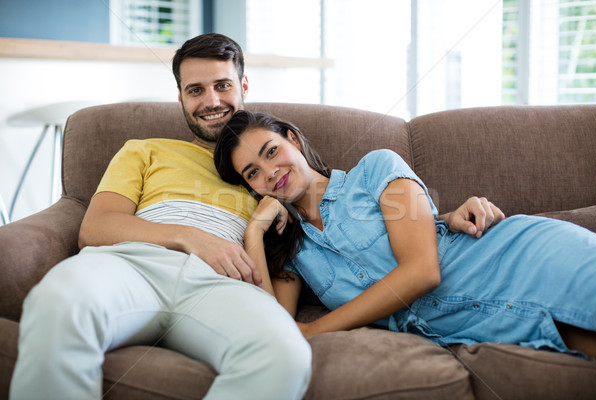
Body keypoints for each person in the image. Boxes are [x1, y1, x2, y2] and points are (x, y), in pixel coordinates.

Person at [9, 32, 507, 400]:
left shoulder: (275, 173)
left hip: (225, 289)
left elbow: (357, 220)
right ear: (180, 98)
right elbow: (95, 228)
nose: (211, 102)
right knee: (61, 300)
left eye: (222, 85)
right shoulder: (144, 149)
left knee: (284, 354)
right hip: (132, 265)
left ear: (243, 84)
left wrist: (441, 217)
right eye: (195, 91)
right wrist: (190, 238)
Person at [213, 110, 596, 361]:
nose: (269, 172)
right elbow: (276, 326)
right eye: (252, 173)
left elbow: (422, 271)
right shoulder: (293, 250)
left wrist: (313, 330)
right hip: (482, 323)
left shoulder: (376, 167)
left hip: (521, 258)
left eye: (271, 151)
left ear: (293, 139)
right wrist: (254, 232)